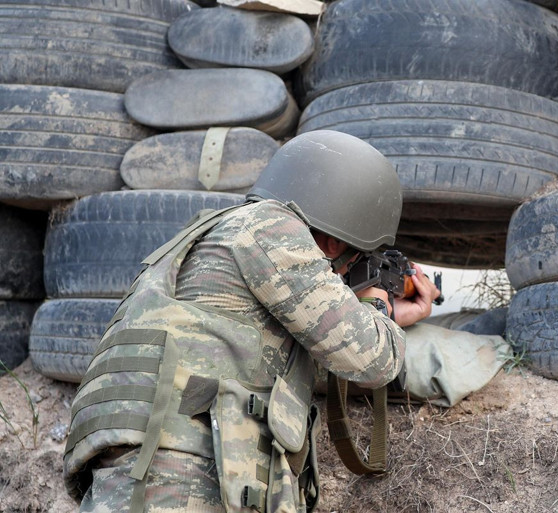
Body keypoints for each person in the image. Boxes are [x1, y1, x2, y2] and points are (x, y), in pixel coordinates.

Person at [63, 130, 441, 513]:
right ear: (333, 242)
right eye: (358, 256)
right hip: (183, 473)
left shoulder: (212, 233)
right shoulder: (274, 230)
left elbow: (286, 364)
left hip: (136, 468)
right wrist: (377, 307)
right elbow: (373, 360)